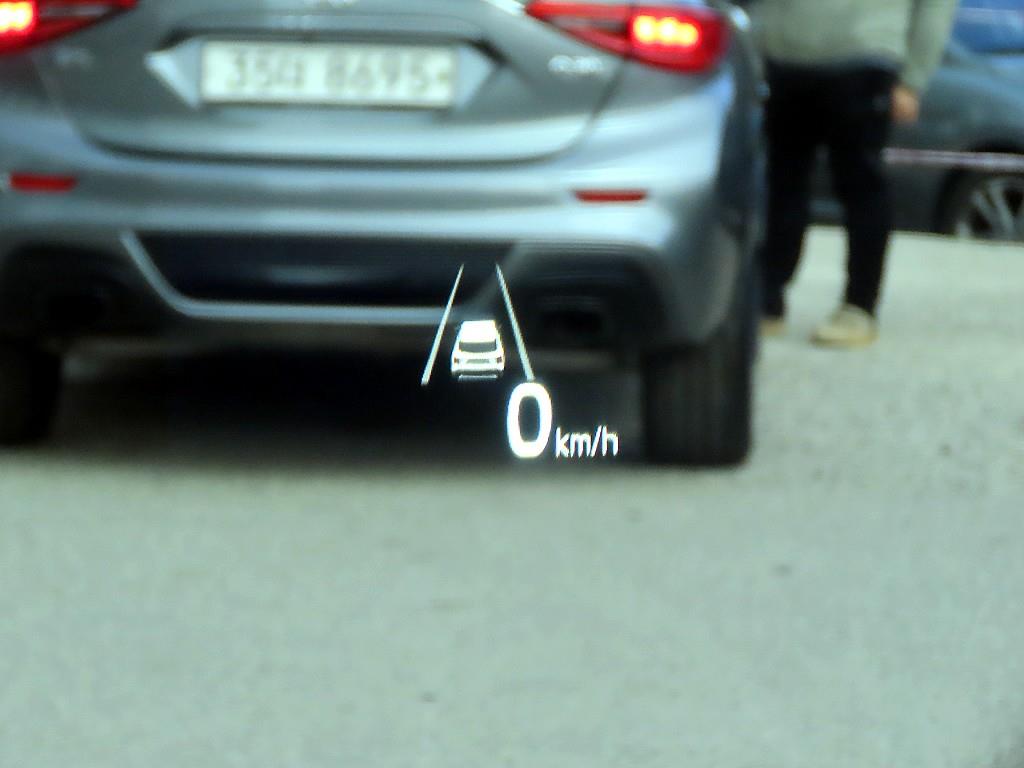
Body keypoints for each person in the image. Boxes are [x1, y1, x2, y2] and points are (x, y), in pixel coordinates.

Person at [751, 0, 959, 347]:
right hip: (781, 56)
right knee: (781, 184)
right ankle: (767, 298)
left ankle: (859, 306)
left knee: (860, 185)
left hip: (864, 56)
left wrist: (913, 79)